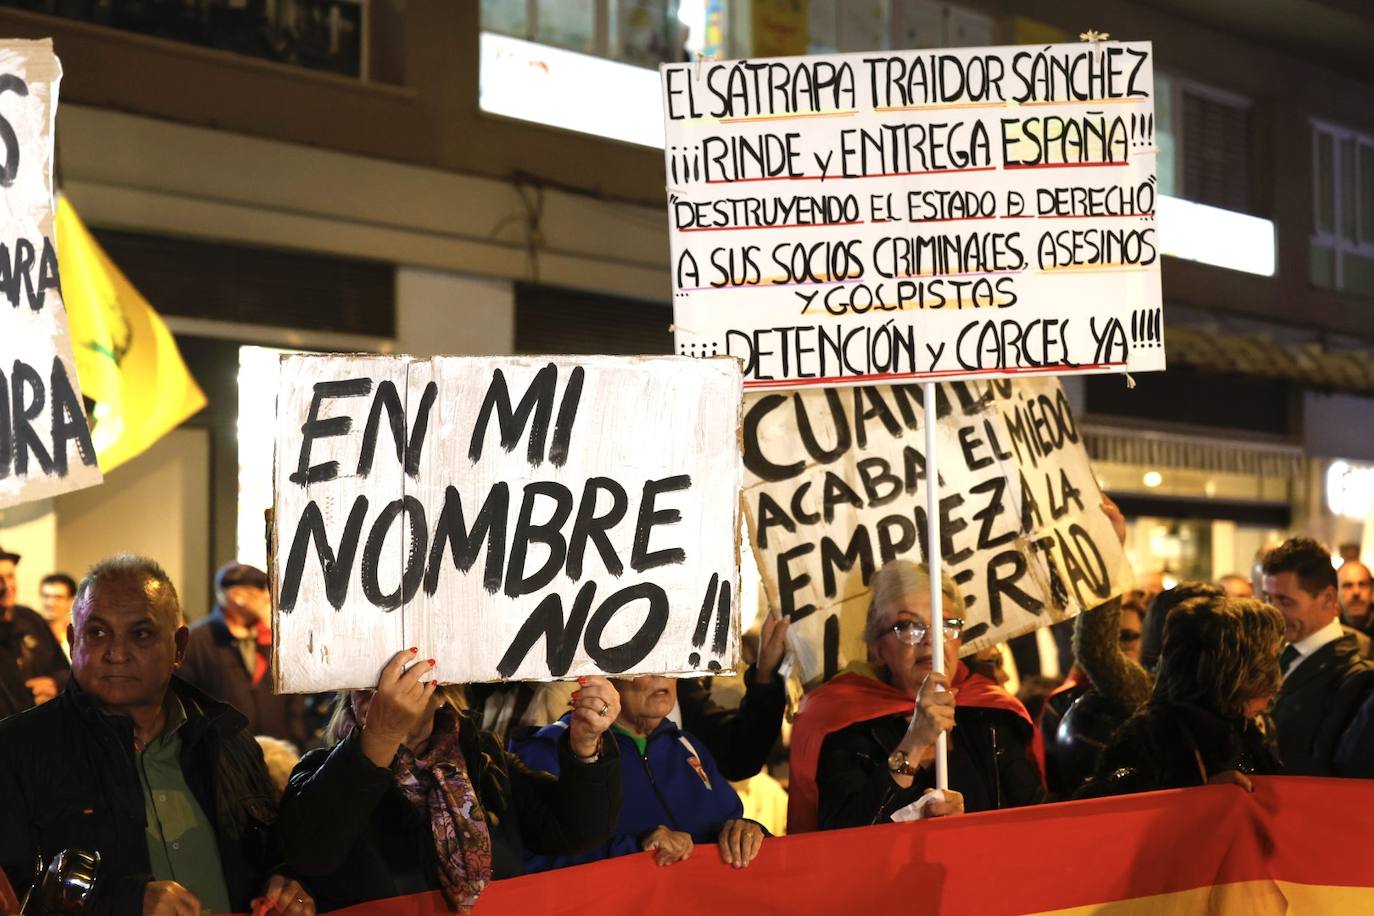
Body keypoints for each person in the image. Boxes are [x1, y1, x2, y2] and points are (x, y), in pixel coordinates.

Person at [0, 554, 314, 915]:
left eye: (141, 633)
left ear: (179, 647)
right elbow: (13, 893)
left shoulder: (229, 743)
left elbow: (269, 856)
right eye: (97, 632)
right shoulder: (17, 749)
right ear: (73, 640)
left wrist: (284, 883)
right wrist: (124, 902)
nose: (116, 653)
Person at [279, 654, 623, 912]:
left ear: (442, 693)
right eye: (365, 683)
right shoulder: (320, 772)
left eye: (403, 677)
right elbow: (311, 855)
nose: (383, 692)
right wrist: (382, 734)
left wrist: (586, 745)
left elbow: (574, 830)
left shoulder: (486, 762)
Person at [789, 561, 1044, 834]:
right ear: (877, 649)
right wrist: (913, 743)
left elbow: (1038, 824)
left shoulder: (993, 715)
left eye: (945, 625)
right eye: (909, 627)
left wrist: (970, 824)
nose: (931, 640)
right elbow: (841, 836)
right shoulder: (843, 725)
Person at [512, 675, 766, 872]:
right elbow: (529, 865)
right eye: (646, 663)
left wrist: (748, 832)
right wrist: (634, 850)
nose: (661, 675)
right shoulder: (550, 748)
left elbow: (730, 821)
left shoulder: (686, 745)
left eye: (670, 662)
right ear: (606, 674)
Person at [1077, 596, 1284, 797]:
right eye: (1269, 658)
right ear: (1233, 672)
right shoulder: (1150, 735)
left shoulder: (1240, 729)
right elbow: (1107, 809)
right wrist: (1197, 796)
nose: (1275, 678)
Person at [1262, 538, 1374, 776]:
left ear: (1328, 598)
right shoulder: (1271, 656)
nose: (1273, 611)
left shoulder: (1356, 678)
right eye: (1269, 598)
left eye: (1285, 601)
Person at [180, 562, 310, 747]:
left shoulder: (275, 639)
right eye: (261, 589)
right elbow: (185, 703)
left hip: (279, 752)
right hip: (222, 757)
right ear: (237, 596)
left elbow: (295, 697)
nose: (268, 596)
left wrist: (297, 737)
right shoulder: (196, 642)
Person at [0, 547, 70, 715]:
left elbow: (66, 671)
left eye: (10, 576)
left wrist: (54, 684)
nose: (7, 586)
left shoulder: (31, 619)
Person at [40, 572, 77, 655]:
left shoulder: (79, 638)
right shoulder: (32, 634)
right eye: (46, 596)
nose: (50, 603)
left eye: (58, 597)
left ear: (71, 601)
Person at [1338, 560, 1373, 633]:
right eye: (1347, 586)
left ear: (1372, 591)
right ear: (1336, 592)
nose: (1356, 592)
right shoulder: (1327, 631)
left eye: (1362, 585)